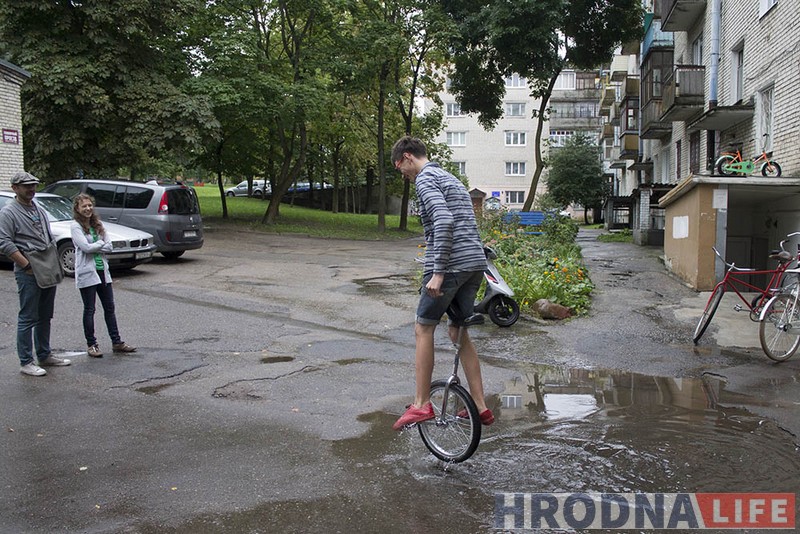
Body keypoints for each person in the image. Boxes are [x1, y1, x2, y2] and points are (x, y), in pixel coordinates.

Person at [390, 136, 494, 430]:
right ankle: (479, 406)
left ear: (407, 157)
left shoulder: (425, 180)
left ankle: (421, 404)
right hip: (474, 264)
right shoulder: (451, 178)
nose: (403, 175)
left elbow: (444, 221)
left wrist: (438, 272)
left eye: (399, 168)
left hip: (450, 266)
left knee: (423, 327)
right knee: (458, 331)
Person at [0, 171, 71, 376]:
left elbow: (47, 236)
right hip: (29, 270)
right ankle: (26, 362)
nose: (31, 189)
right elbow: (4, 243)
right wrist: (26, 266)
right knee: (28, 317)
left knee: (45, 315)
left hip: (46, 267)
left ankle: (44, 355)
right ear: (15, 188)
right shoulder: (8, 212)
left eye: (33, 185)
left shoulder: (38, 208)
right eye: (26, 186)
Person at [71, 193, 137, 357]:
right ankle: (92, 344)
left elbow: (110, 247)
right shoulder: (76, 226)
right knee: (90, 309)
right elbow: (86, 248)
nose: (88, 209)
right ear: (77, 209)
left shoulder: (98, 225)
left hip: (102, 271)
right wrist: (100, 243)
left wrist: (96, 245)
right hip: (87, 273)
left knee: (109, 308)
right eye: (84, 206)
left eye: (89, 205)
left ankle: (117, 342)